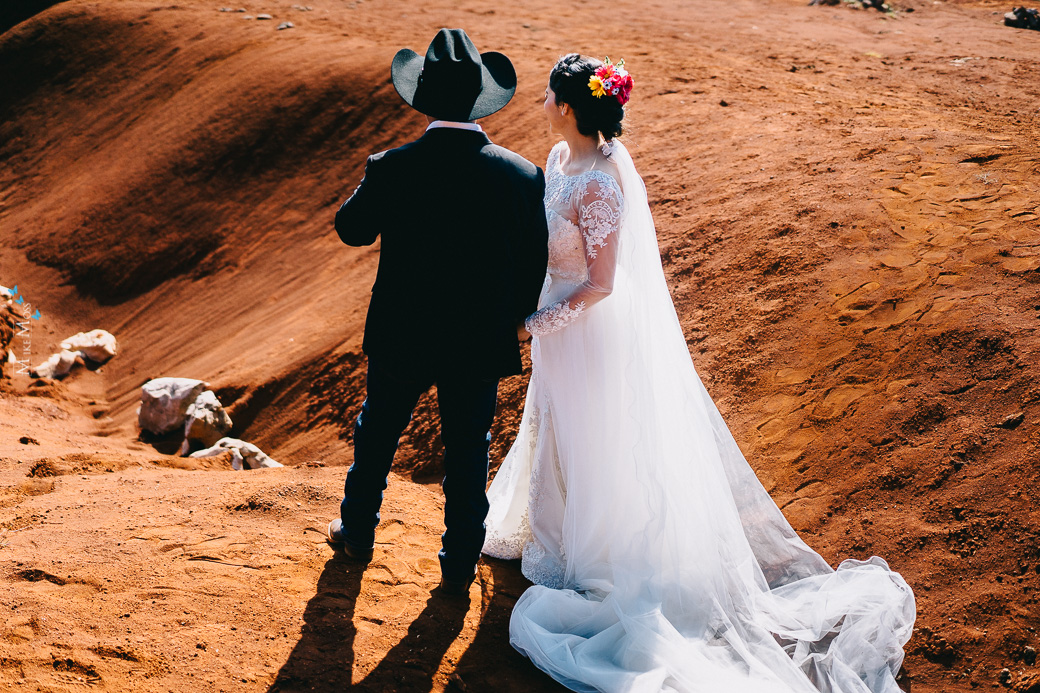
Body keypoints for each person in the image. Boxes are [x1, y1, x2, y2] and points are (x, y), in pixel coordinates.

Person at [483, 53, 916, 692]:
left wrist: (533, 326)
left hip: (587, 329)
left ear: (569, 107)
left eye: (549, 96)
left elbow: (601, 284)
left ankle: (593, 552)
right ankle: (552, 534)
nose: (541, 105)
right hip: (558, 321)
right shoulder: (557, 162)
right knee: (557, 426)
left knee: (594, 436)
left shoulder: (601, 182)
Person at [329, 28, 549, 596]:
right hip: (478, 338)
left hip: (402, 331)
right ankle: (456, 567)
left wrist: (378, 180)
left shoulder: (392, 165)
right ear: (480, 99)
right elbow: (534, 266)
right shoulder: (521, 175)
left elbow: (351, 229)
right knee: (468, 451)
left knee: (377, 434)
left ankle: (356, 534)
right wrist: (510, 318)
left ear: (422, 97)